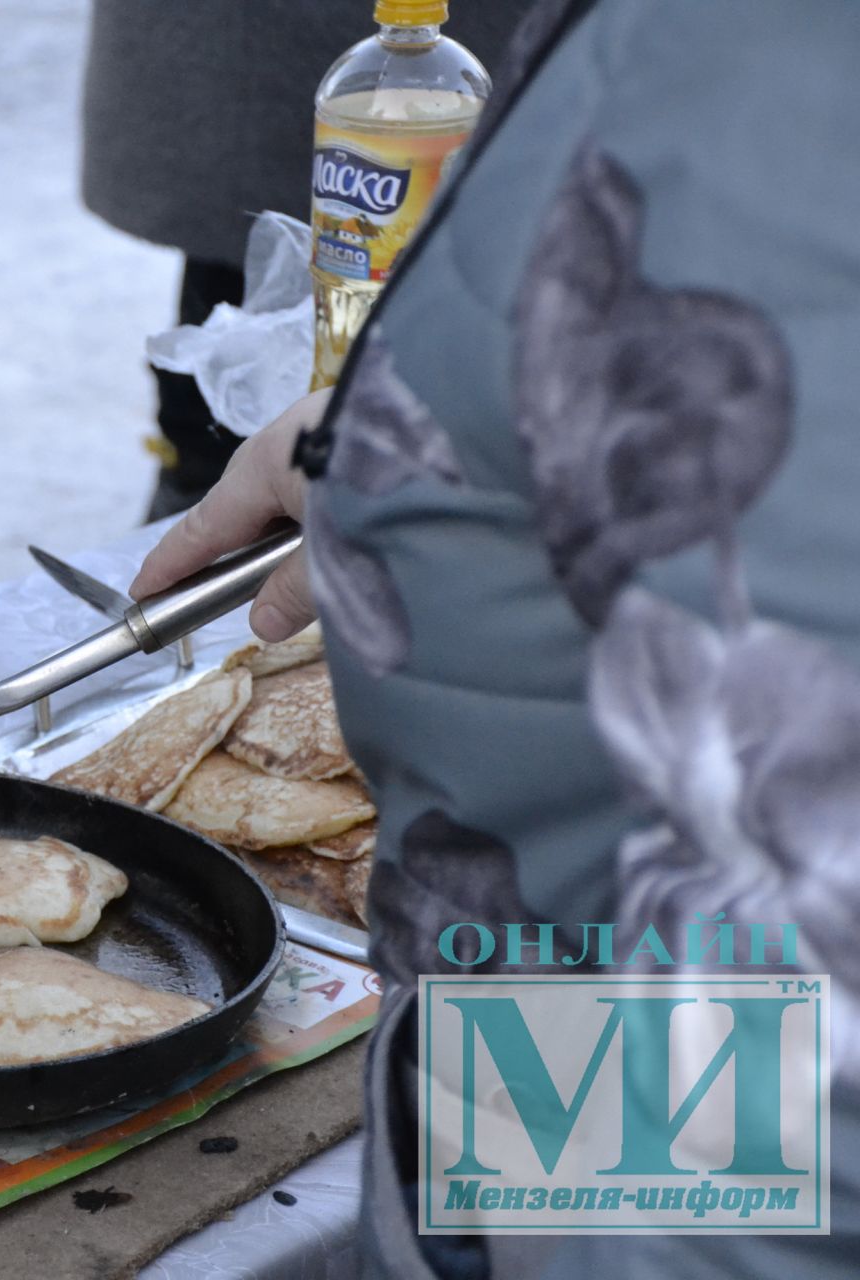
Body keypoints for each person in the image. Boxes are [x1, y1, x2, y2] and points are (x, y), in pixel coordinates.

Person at [133, 0, 858, 1276]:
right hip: (568, 1074)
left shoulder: (779, 80)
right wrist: (422, 461)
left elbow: (803, 1122)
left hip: (630, 1137)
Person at [81, 0, 527, 520]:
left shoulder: (452, 78)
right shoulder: (371, 80)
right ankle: (201, 512)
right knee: (218, 408)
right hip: (237, 83)